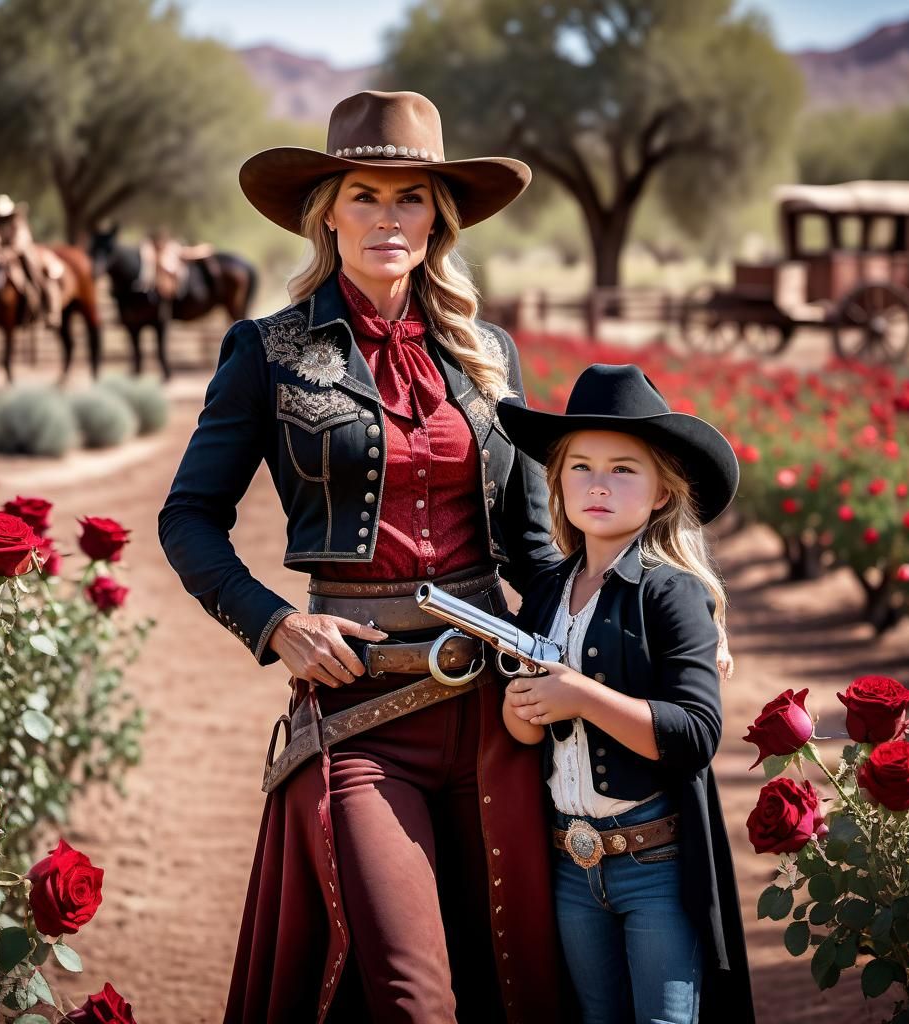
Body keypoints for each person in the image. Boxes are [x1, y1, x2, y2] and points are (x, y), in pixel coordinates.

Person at [158, 90, 566, 1023]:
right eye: (365, 196)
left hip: (500, 711)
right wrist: (276, 625)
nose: (389, 217)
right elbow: (188, 519)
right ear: (328, 213)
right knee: (412, 996)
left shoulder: (487, 355)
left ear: (439, 217)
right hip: (357, 714)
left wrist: (618, 641)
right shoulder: (265, 350)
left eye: (410, 197)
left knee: (519, 983)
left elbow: (538, 555)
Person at [497, 363, 755, 1024]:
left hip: (656, 865)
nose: (598, 484)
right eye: (579, 467)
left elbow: (696, 734)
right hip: (569, 862)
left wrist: (581, 697)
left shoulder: (674, 593)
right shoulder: (548, 593)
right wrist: (521, 707)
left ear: (663, 492)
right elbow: (528, 731)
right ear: (556, 483)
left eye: (623, 469)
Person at [0, 194, 63, 328]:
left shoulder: (18, 222)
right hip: (0, 256)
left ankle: (46, 304)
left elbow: (21, 243)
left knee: (35, 269)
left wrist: (8, 254)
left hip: (20, 253)